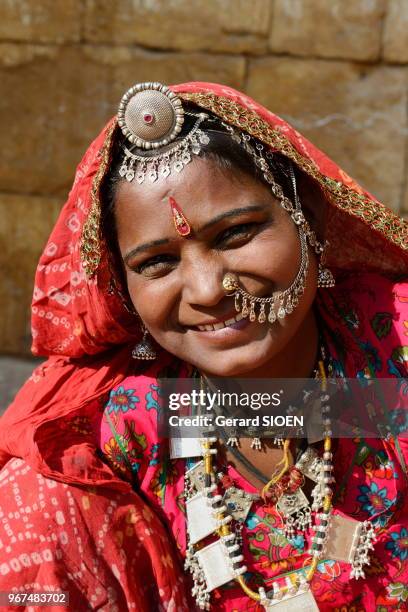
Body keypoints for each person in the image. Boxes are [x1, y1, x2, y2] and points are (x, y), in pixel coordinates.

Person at [0, 81, 407, 612]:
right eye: (158, 264)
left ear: (309, 217)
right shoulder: (126, 427)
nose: (209, 290)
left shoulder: (392, 343)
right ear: (123, 290)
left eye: (236, 234)